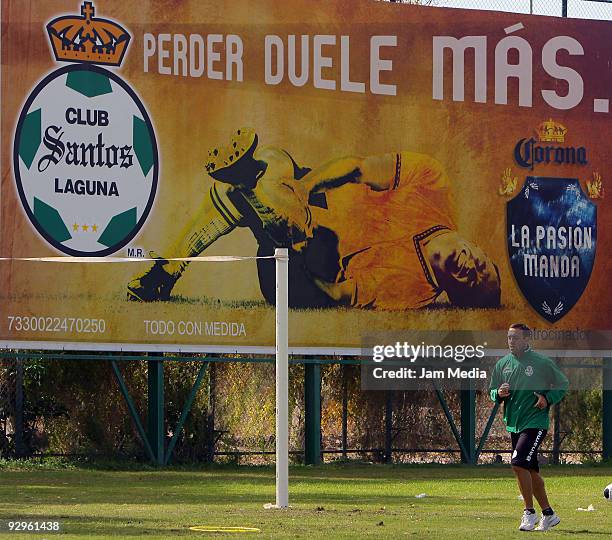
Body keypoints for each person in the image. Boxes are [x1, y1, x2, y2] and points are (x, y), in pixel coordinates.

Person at [127, 128, 500, 309]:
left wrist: (303, 254)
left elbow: (340, 293)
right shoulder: (433, 184)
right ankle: (167, 270)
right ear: (480, 248)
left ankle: (170, 268)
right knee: (271, 174)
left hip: (311, 260)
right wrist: (304, 187)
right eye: (484, 267)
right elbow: (356, 167)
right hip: (319, 194)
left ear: (453, 291)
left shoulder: (414, 291)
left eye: (470, 282)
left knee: (276, 205)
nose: (472, 268)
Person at [489, 323, 569, 532]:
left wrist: (547, 398)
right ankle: (549, 514)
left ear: (526, 340)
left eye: (515, 338)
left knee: (517, 464)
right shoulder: (503, 364)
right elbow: (492, 391)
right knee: (530, 470)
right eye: (509, 337)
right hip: (514, 423)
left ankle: (529, 513)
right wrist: (499, 393)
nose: (511, 341)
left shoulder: (541, 362)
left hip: (535, 422)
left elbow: (563, 384)